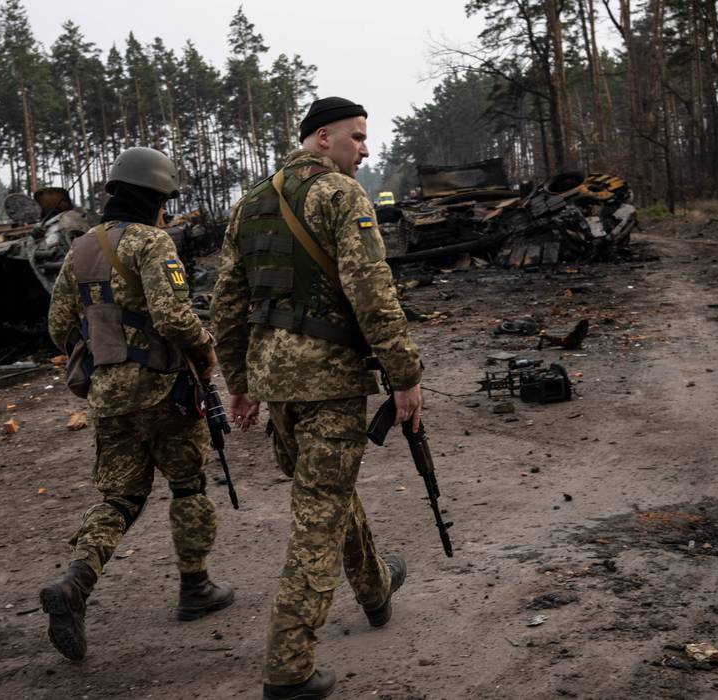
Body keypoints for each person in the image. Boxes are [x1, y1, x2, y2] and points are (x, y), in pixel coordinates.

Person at [212, 96, 423, 699]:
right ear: (323, 138)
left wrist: (241, 384)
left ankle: (376, 588)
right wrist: (405, 374)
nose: (366, 148)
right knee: (318, 518)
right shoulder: (340, 196)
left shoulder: (249, 203)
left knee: (324, 493)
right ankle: (289, 665)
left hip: (277, 385)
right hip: (328, 382)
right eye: (357, 137)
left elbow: (226, 304)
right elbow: (372, 293)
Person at [39, 147, 234, 663]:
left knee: (120, 497)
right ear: (156, 199)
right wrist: (207, 347)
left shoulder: (79, 249)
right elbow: (172, 316)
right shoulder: (154, 243)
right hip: (165, 388)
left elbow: (59, 328)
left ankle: (75, 584)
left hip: (106, 395)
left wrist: (106, 348)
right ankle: (195, 589)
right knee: (189, 486)